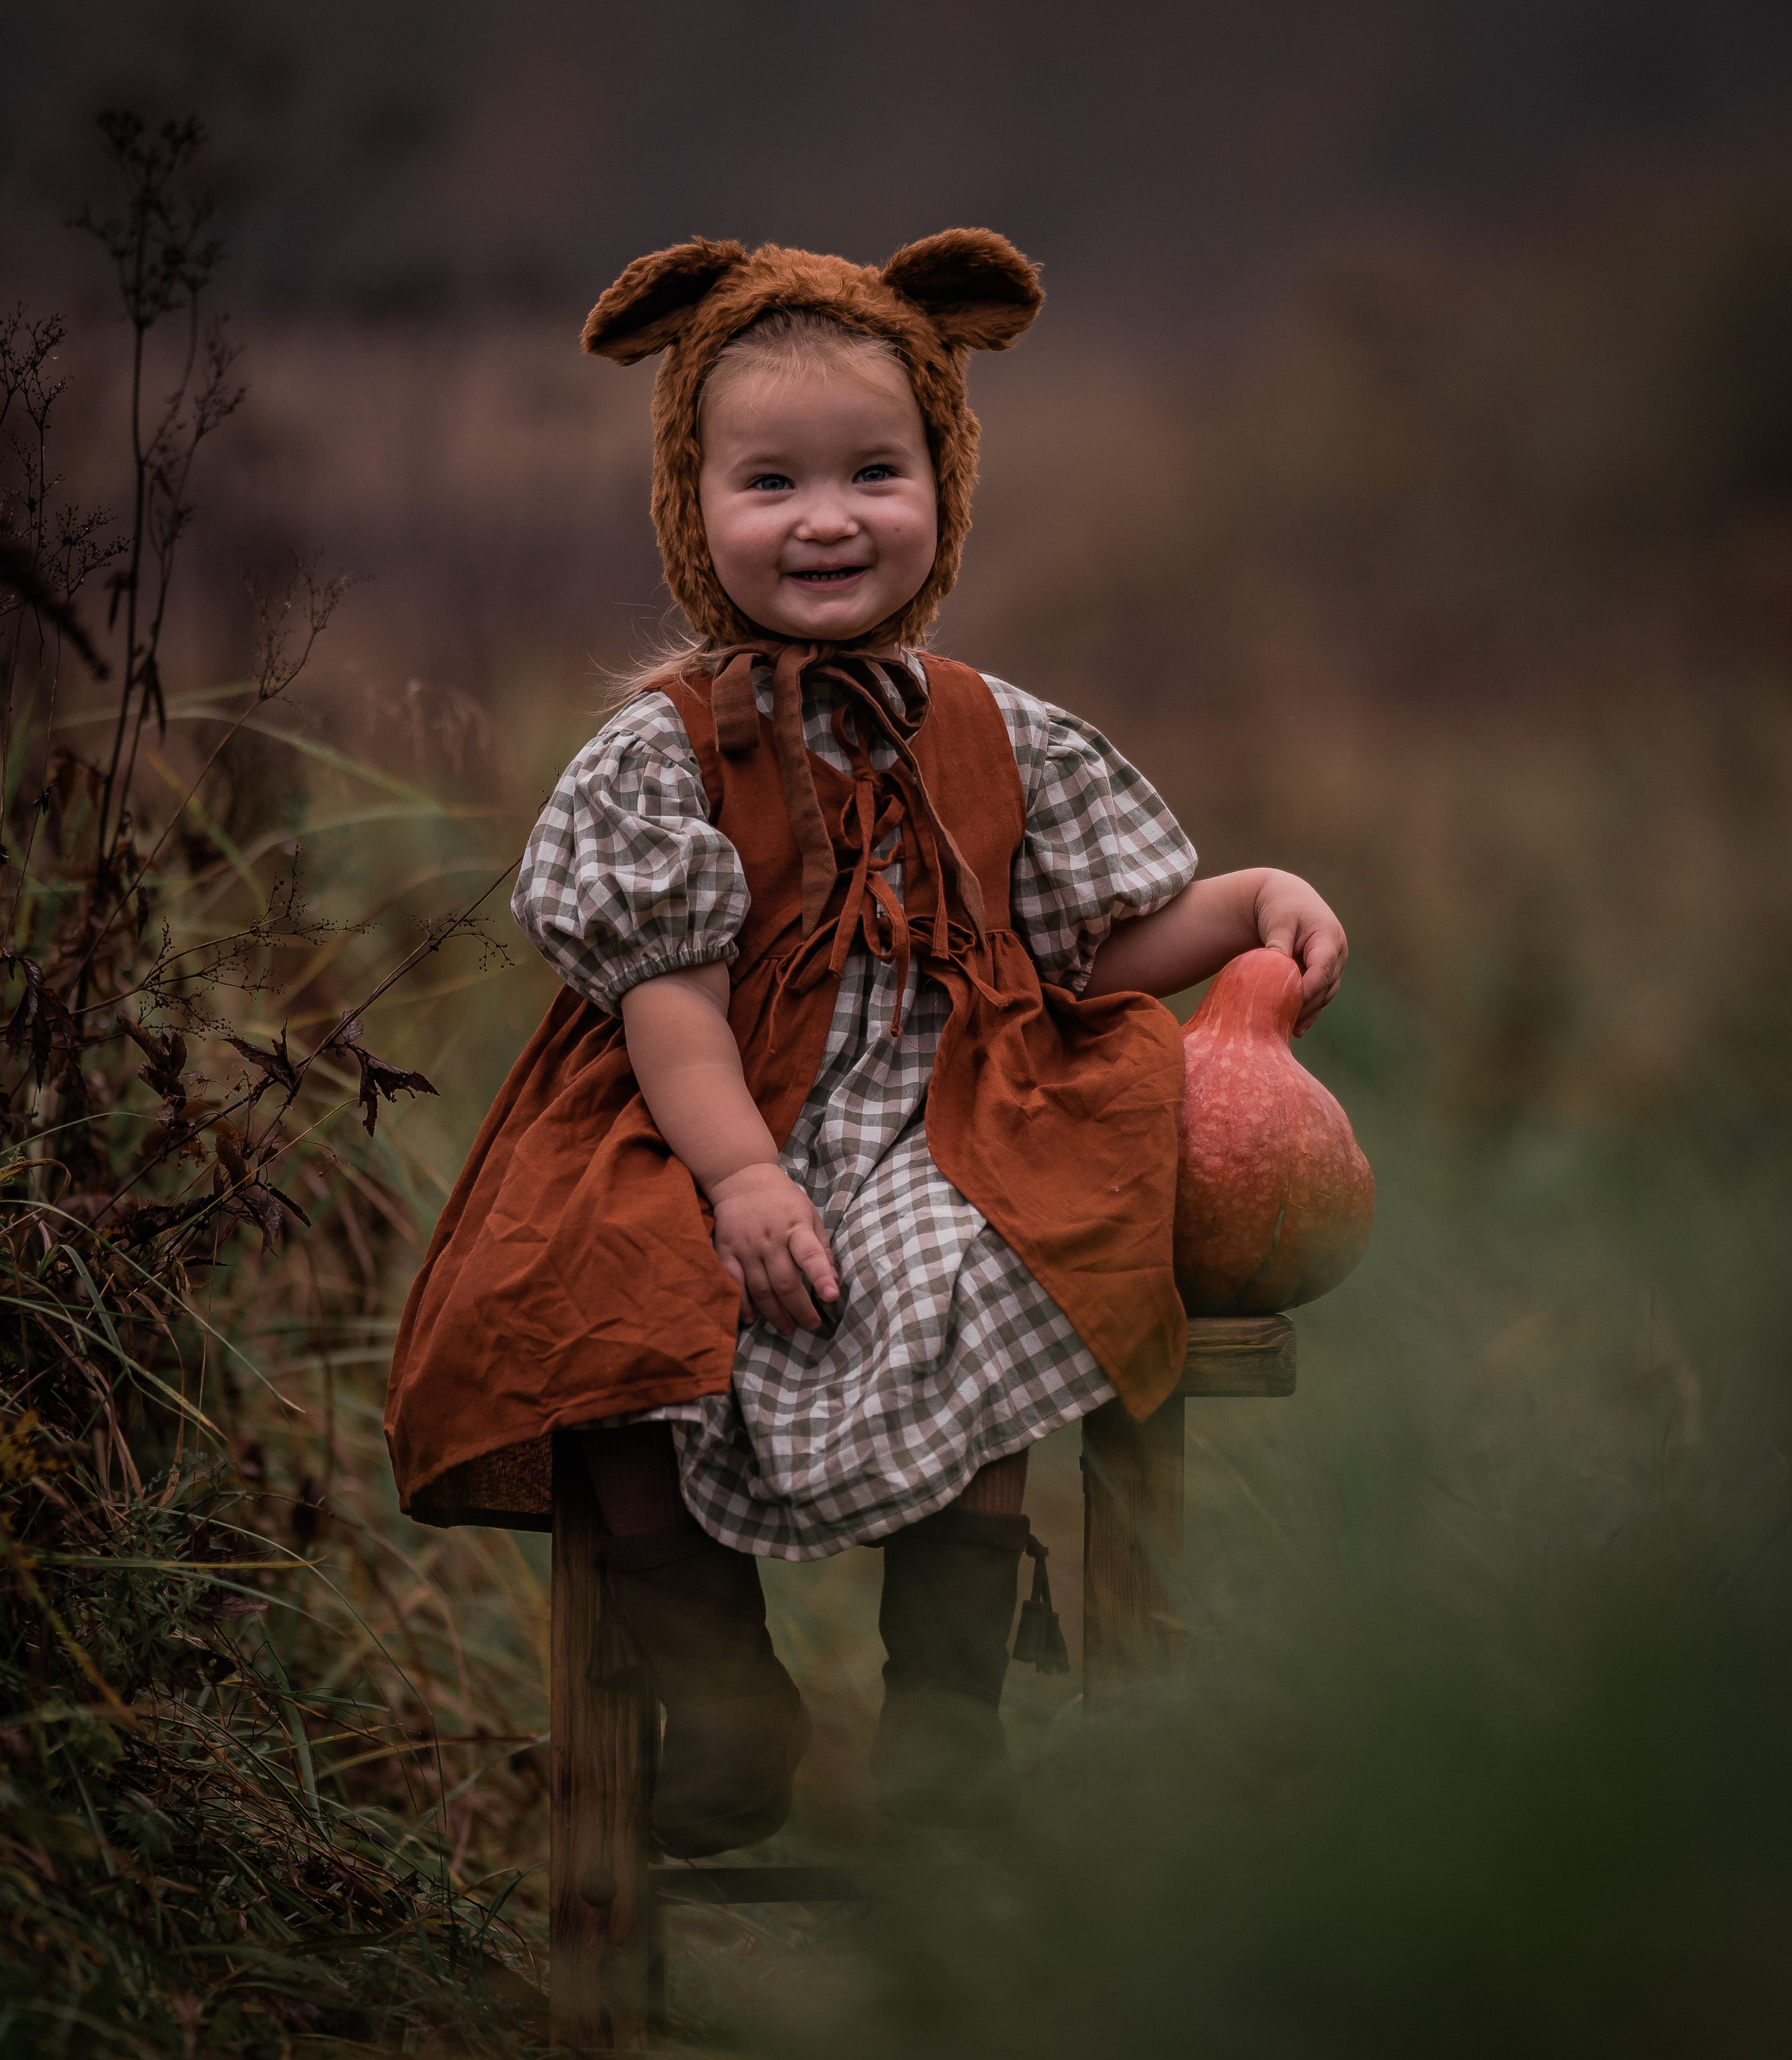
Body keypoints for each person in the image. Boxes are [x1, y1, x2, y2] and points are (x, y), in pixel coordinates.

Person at [384, 230, 1346, 1857]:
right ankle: (720, 1681)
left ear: (941, 485)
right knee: (594, 1283)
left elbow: (1089, 948)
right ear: (694, 507)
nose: (826, 517)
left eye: (873, 471)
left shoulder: (991, 728)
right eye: (770, 480)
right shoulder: (659, 754)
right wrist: (746, 1176)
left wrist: (1243, 899)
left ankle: (944, 1713)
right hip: (703, 1123)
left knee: (979, 1249)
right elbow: (668, 1003)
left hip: (937, 1120)